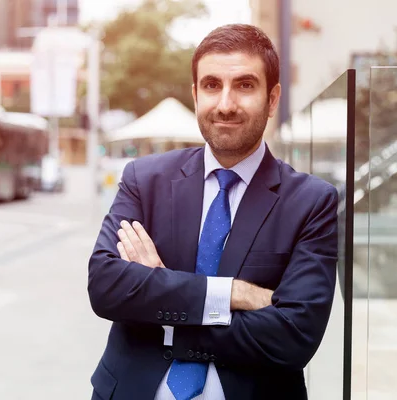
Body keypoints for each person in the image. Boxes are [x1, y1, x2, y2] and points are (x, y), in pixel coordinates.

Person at [88, 23, 339, 400]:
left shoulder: (311, 202)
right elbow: (106, 287)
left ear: (272, 99)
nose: (225, 104)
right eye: (211, 85)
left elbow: (293, 336)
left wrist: (163, 300)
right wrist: (232, 294)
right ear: (195, 95)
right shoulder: (145, 179)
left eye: (244, 85)